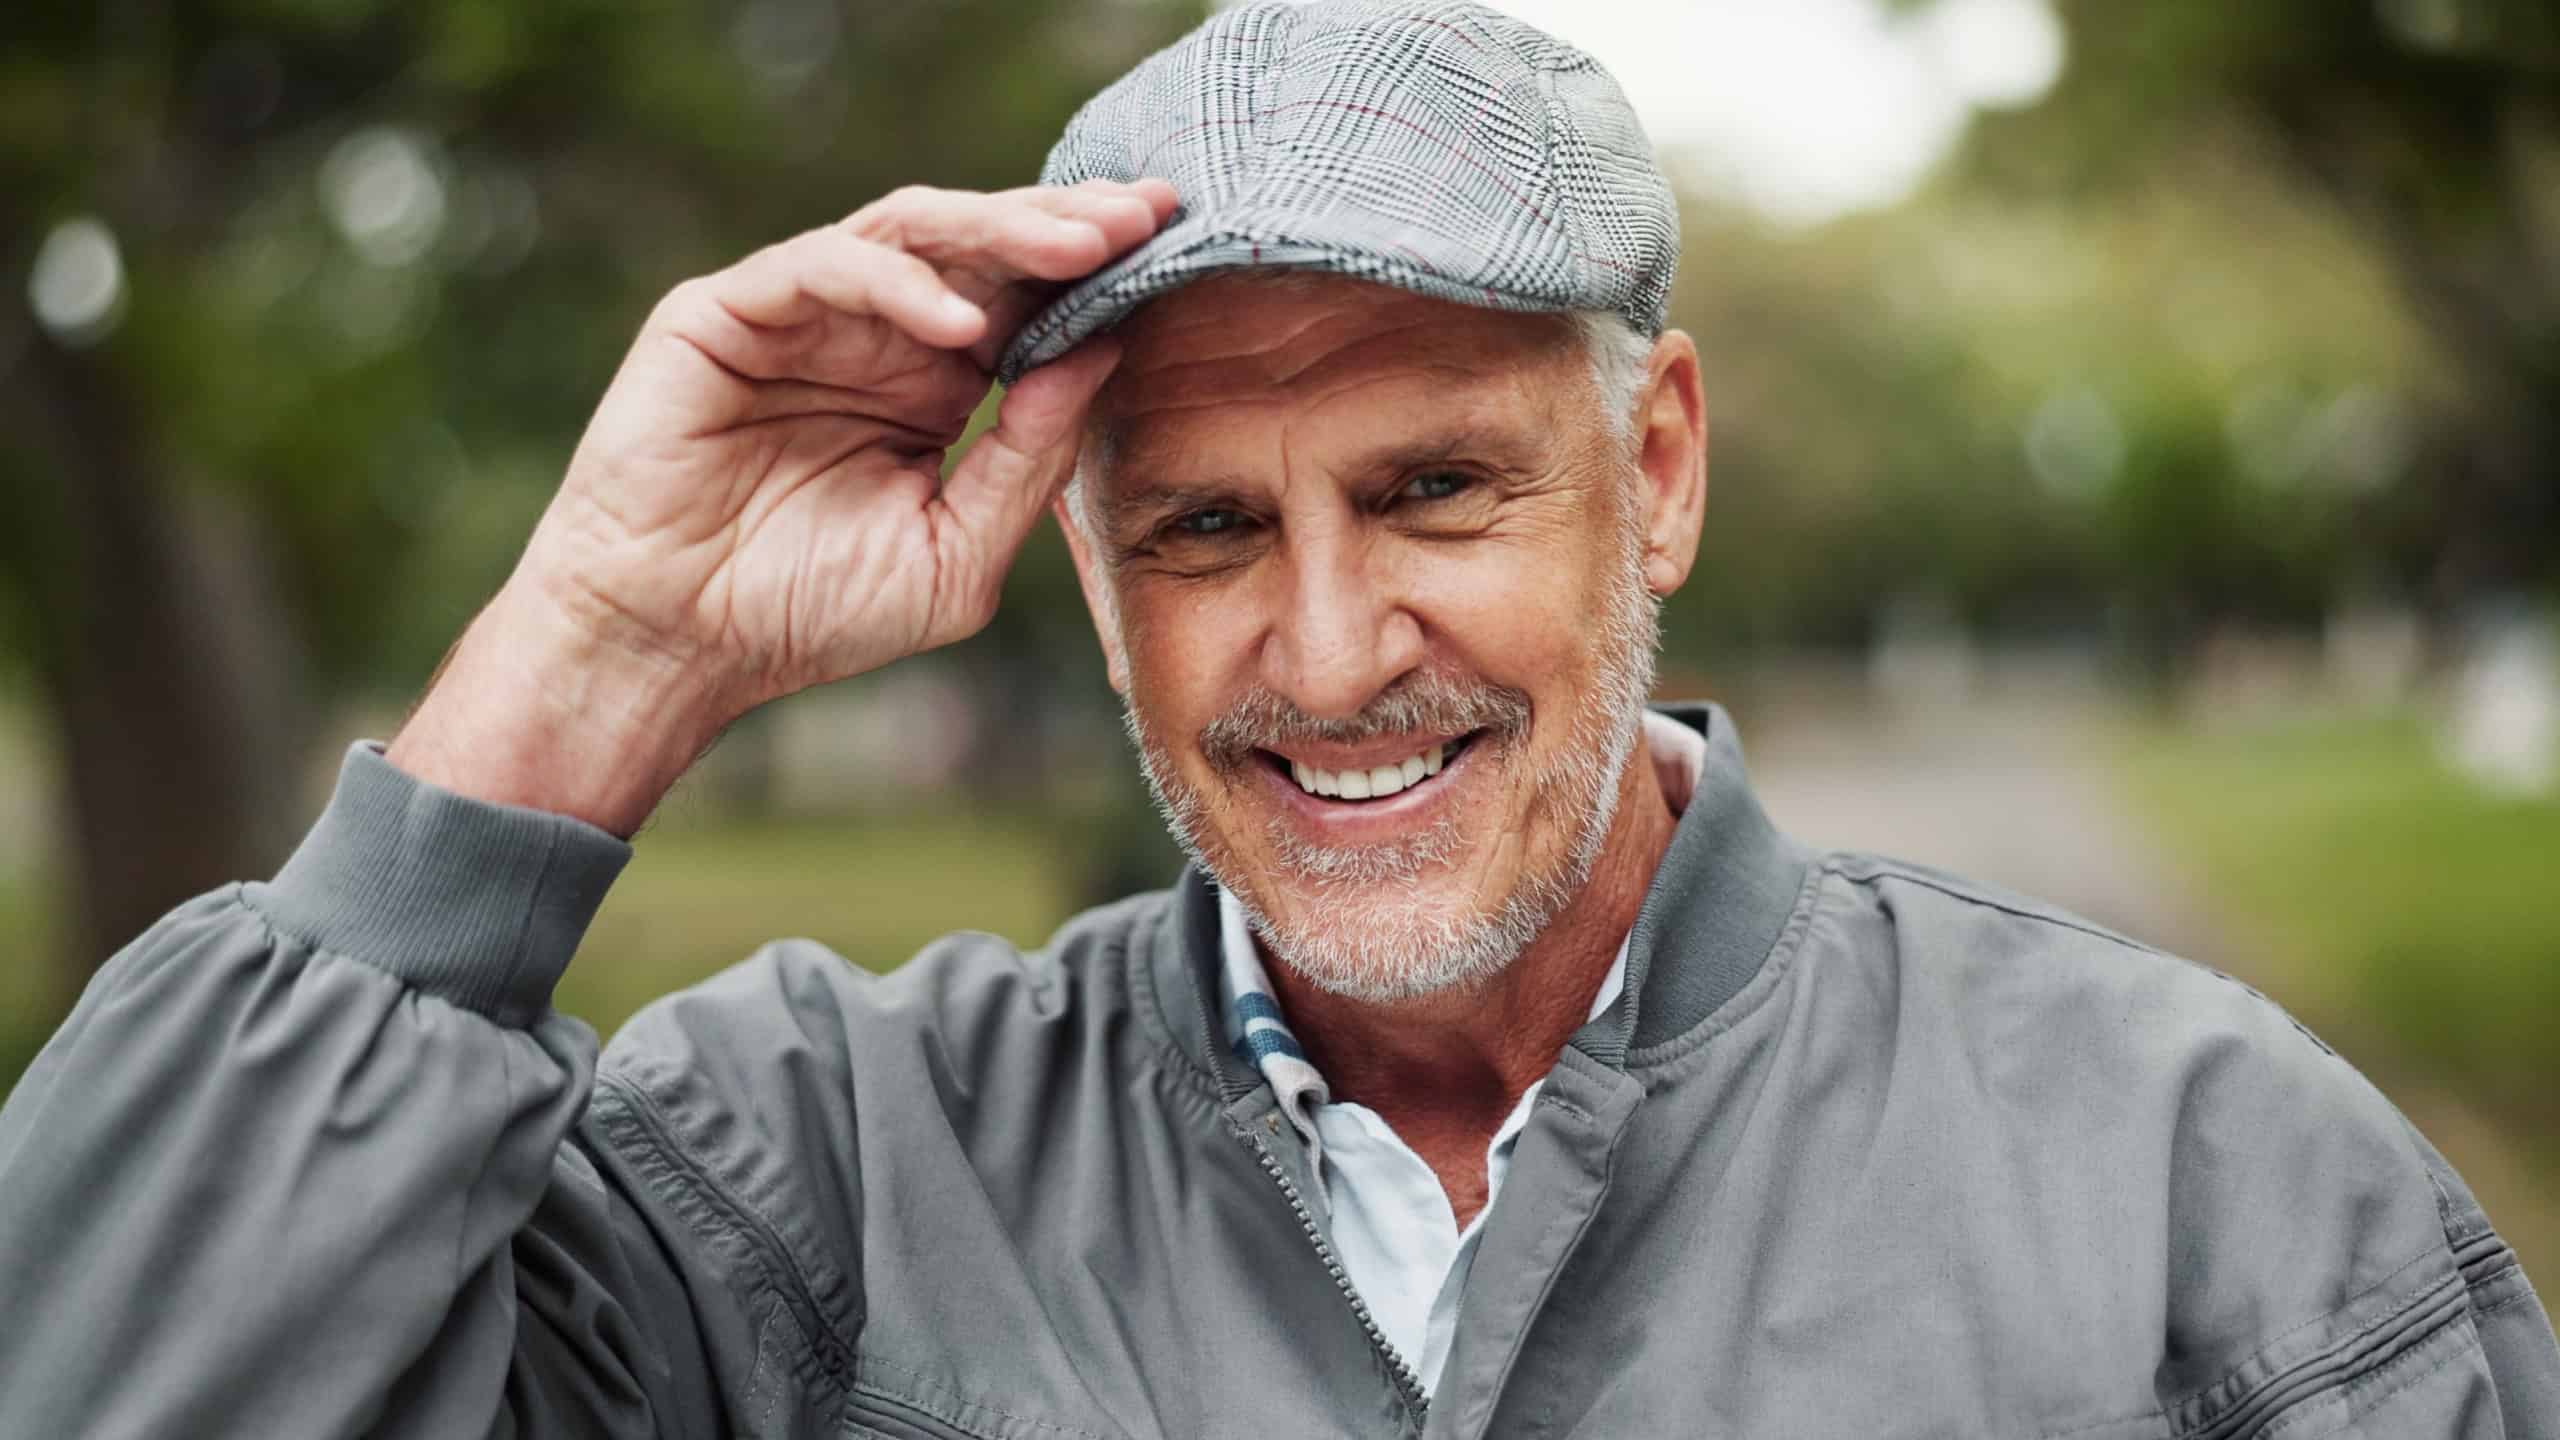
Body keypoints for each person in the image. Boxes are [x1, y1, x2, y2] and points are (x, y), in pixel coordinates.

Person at [1, 2, 2553, 1434]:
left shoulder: (2201, 1191)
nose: (1327, 662)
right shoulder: (796, 1181)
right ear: (1080, 557)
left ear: (1649, 468)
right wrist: (603, 647)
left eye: (1432, 487)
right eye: (1204, 529)